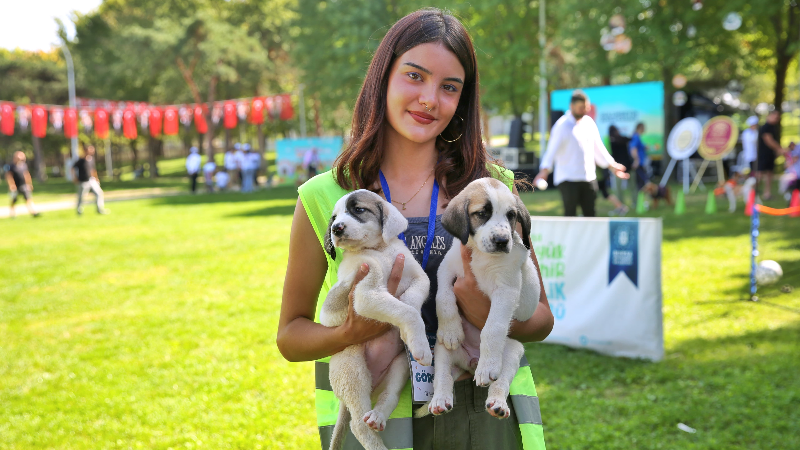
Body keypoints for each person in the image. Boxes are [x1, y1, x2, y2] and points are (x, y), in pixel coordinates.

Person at [277, 9, 553, 450]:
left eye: (449, 87)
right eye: (414, 76)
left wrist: (479, 309)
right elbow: (290, 336)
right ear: (383, 78)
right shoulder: (324, 196)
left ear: (463, 101)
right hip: (377, 413)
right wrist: (349, 333)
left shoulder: (488, 190)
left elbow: (540, 318)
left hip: (479, 408)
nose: (429, 98)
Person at [534, 90, 629, 217]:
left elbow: (598, 148)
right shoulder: (562, 125)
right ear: (571, 106)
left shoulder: (589, 123)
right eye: (581, 108)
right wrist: (544, 171)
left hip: (588, 178)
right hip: (567, 179)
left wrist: (612, 166)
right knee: (570, 215)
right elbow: (551, 150)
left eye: (586, 108)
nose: (584, 111)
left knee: (590, 215)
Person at [757, 110, 787, 200]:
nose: (776, 119)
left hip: (770, 154)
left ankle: (767, 193)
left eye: (778, 117)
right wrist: (779, 149)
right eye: (775, 116)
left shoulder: (774, 127)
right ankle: (753, 191)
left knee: (770, 173)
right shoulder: (766, 127)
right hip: (763, 154)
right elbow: (768, 140)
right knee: (760, 173)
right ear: (769, 116)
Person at [73, 145, 107, 215]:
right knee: (81, 197)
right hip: (83, 181)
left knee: (99, 193)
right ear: (86, 150)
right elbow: (72, 168)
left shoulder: (91, 159)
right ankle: (79, 211)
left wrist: (96, 178)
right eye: (90, 150)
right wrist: (75, 178)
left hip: (91, 180)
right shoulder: (81, 160)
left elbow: (93, 170)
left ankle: (99, 209)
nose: (92, 151)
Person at [5, 151, 41, 218]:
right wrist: (11, 185)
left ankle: (33, 212)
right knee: (14, 200)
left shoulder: (23, 165)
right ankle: (12, 214)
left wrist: (29, 184)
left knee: (28, 198)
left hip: (23, 185)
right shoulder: (11, 166)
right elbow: (9, 176)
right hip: (15, 186)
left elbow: (26, 174)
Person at [630, 122, 649, 191]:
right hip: (638, 163)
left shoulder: (637, 136)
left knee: (642, 181)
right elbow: (633, 149)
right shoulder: (636, 136)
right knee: (642, 181)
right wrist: (636, 160)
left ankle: (642, 199)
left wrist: (644, 147)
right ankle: (641, 199)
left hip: (641, 162)